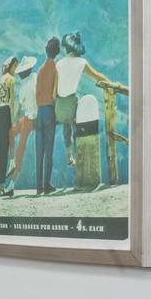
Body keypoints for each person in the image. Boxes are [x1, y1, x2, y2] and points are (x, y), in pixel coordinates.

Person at [54, 32, 114, 176]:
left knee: (66, 121)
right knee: (77, 114)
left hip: (59, 107)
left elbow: (55, 89)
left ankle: (69, 154)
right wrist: (110, 84)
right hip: (72, 104)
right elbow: (97, 75)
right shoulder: (81, 63)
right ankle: (79, 156)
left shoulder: (59, 64)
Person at [5, 55, 38, 193]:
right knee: (17, 140)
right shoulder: (35, 77)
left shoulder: (24, 88)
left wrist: (14, 121)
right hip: (36, 116)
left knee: (18, 144)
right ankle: (12, 164)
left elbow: (19, 110)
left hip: (30, 119)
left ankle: (11, 184)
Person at [34, 37, 60, 194]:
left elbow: (37, 93)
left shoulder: (41, 70)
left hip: (39, 112)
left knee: (39, 151)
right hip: (50, 110)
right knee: (49, 150)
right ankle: (47, 185)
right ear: (56, 51)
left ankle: (38, 187)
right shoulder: (55, 69)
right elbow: (55, 94)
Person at [0, 55, 17, 196]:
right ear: (11, 66)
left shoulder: (1, 79)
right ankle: (1, 183)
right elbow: (12, 102)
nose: (16, 69)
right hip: (6, 112)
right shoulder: (11, 80)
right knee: (4, 148)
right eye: (15, 66)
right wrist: (11, 121)